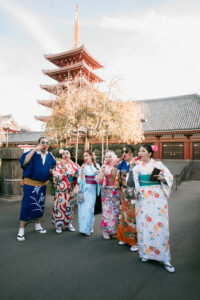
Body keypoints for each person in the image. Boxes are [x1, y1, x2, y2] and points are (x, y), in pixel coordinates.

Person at [133, 144, 175, 273]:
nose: (140, 152)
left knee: (159, 224)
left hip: (157, 198)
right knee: (143, 224)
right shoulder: (137, 167)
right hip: (143, 198)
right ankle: (145, 253)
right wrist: (134, 194)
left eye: (143, 151)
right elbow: (135, 184)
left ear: (150, 153)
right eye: (139, 150)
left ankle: (164, 258)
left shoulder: (158, 165)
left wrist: (163, 178)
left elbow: (170, 177)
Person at [17, 137, 56, 241]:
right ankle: (21, 230)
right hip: (30, 185)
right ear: (38, 143)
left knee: (40, 205)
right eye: (43, 142)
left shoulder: (50, 155)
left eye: (47, 142)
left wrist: (52, 171)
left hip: (42, 185)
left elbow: (54, 166)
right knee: (26, 206)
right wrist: (34, 149)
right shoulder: (32, 153)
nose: (45, 144)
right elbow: (24, 163)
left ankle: (38, 225)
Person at [112, 145, 139, 251]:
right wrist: (115, 165)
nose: (124, 153)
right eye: (123, 151)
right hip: (123, 191)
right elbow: (114, 176)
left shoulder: (136, 163)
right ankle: (124, 237)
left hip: (132, 192)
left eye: (126, 151)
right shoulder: (122, 163)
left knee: (132, 216)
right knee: (123, 215)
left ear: (132, 152)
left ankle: (134, 241)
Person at [52, 148, 79, 233]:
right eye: (63, 154)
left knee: (70, 206)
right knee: (60, 206)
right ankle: (59, 224)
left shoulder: (75, 165)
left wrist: (76, 176)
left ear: (70, 155)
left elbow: (78, 175)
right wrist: (63, 170)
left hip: (71, 189)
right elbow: (55, 175)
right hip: (61, 189)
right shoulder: (58, 165)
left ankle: (68, 223)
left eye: (67, 153)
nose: (65, 155)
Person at [97, 151, 121, 239]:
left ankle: (114, 231)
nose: (108, 158)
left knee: (115, 212)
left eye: (110, 156)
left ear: (114, 157)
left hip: (116, 192)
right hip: (107, 192)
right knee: (107, 212)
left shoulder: (117, 167)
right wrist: (102, 171)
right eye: (106, 157)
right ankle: (105, 231)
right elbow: (99, 181)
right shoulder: (103, 167)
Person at [77, 150, 100, 236]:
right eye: (84, 156)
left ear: (91, 156)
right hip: (85, 190)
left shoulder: (97, 166)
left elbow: (99, 177)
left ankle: (90, 226)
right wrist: (82, 171)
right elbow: (79, 180)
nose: (85, 157)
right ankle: (84, 229)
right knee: (84, 210)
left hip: (93, 190)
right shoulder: (83, 166)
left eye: (87, 155)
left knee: (91, 209)